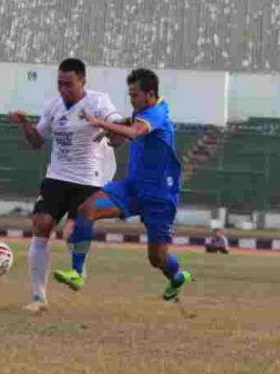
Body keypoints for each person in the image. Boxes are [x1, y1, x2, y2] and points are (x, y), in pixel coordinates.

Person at [53, 68, 192, 302]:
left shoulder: (156, 114)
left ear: (150, 95)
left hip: (159, 198)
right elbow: (128, 128)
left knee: (157, 259)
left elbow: (136, 131)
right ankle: (77, 273)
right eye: (129, 95)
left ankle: (177, 277)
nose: (131, 100)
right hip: (132, 189)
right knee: (86, 209)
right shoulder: (144, 111)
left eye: (135, 95)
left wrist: (99, 122)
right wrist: (111, 133)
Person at [9, 58, 123, 312]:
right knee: (41, 225)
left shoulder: (98, 101)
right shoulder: (53, 106)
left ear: (82, 82)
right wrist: (26, 123)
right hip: (58, 176)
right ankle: (39, 297)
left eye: (68, 84)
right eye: (60, 83)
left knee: (71, 233)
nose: (63, 89)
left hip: (89, 178)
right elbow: (38, 141)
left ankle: (79, 270)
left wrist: (110, 131)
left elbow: (119, 131)